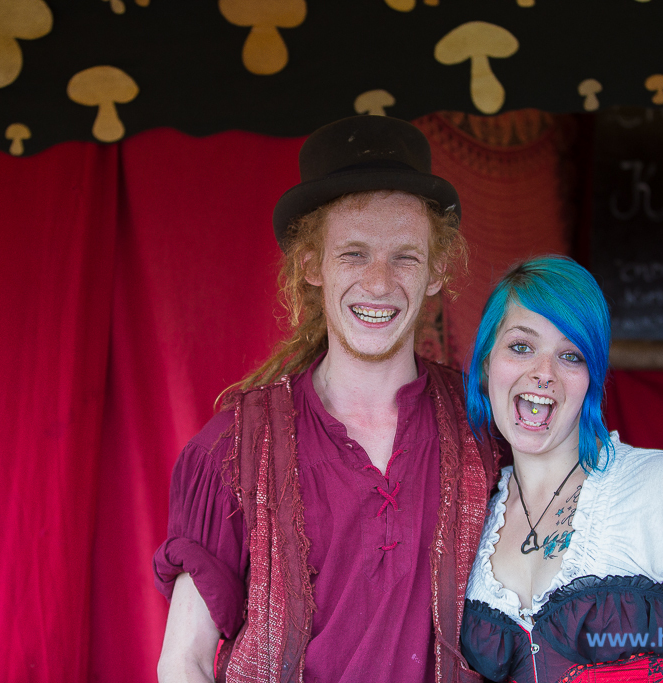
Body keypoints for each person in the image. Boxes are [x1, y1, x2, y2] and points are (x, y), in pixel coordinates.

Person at [153, 115, 501, 683]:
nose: (379, 282)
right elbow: (184, 661)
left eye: (405, 257)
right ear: (311, 265)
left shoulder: (487, 429)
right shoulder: (234, 449)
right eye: (354, 254)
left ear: (437, 270)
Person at [460, 256, 663, 683]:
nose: (543, 374)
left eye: (570, 356)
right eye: (521, 347)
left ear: (592, 377)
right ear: (485, 363)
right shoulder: (472, 522)